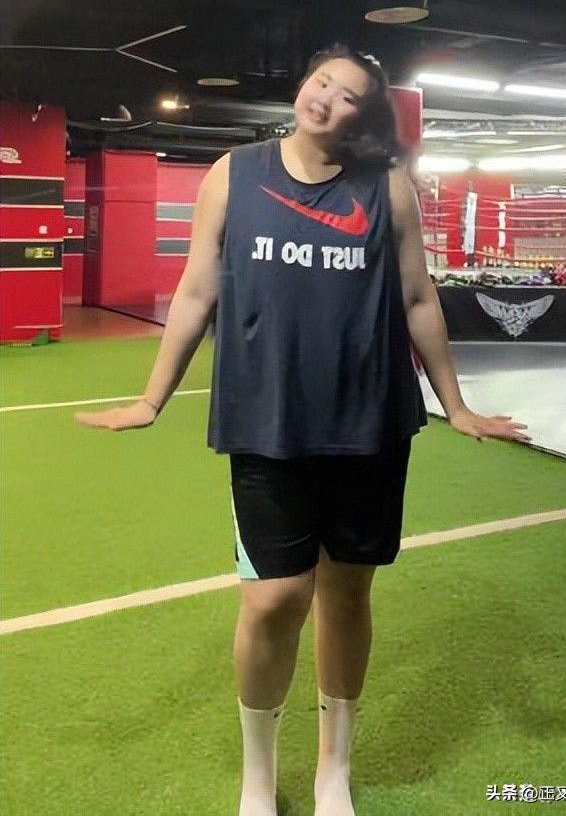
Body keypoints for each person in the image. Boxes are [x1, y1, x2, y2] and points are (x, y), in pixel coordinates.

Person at [75, 43, 531, 816]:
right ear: (302, 87)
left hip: (369, 422)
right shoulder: (234, 174)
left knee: (347, 595)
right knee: (273, 599)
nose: (326, 98)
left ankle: (332, 771)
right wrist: (153, 398)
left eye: (348, 94)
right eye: (322, 81)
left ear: (364, 115)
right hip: (268, 422)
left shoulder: (385, 188)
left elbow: (418, 298)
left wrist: (455, 404)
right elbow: (196, 290)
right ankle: (258, 777)